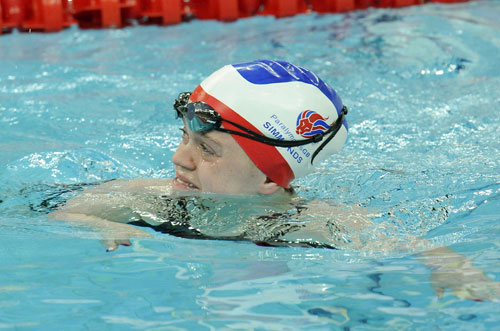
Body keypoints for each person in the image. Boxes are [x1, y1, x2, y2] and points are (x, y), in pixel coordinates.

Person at [49, 59, 500, 301]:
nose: (178, 158)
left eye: (206, 149)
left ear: (271, 177)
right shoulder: (151, 200)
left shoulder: (311, 224)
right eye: (184, 137)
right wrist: (104, 225)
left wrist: (456, 270)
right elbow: (72, 210)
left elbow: (414, 246)